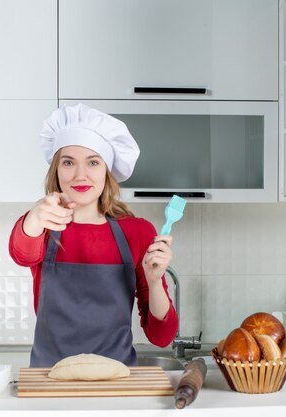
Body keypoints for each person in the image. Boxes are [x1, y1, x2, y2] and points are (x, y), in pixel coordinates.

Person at [9, 103, 178, 367]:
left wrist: (155, 281)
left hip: (114, 383)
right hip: (49, 380)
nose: (80, 175)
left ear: (107, 171)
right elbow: (21, 253)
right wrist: (34, 216)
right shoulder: (43, 222)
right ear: (56, 169)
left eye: (93, 162)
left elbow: (161, 336)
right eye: (68, 162)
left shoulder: (138, 232)